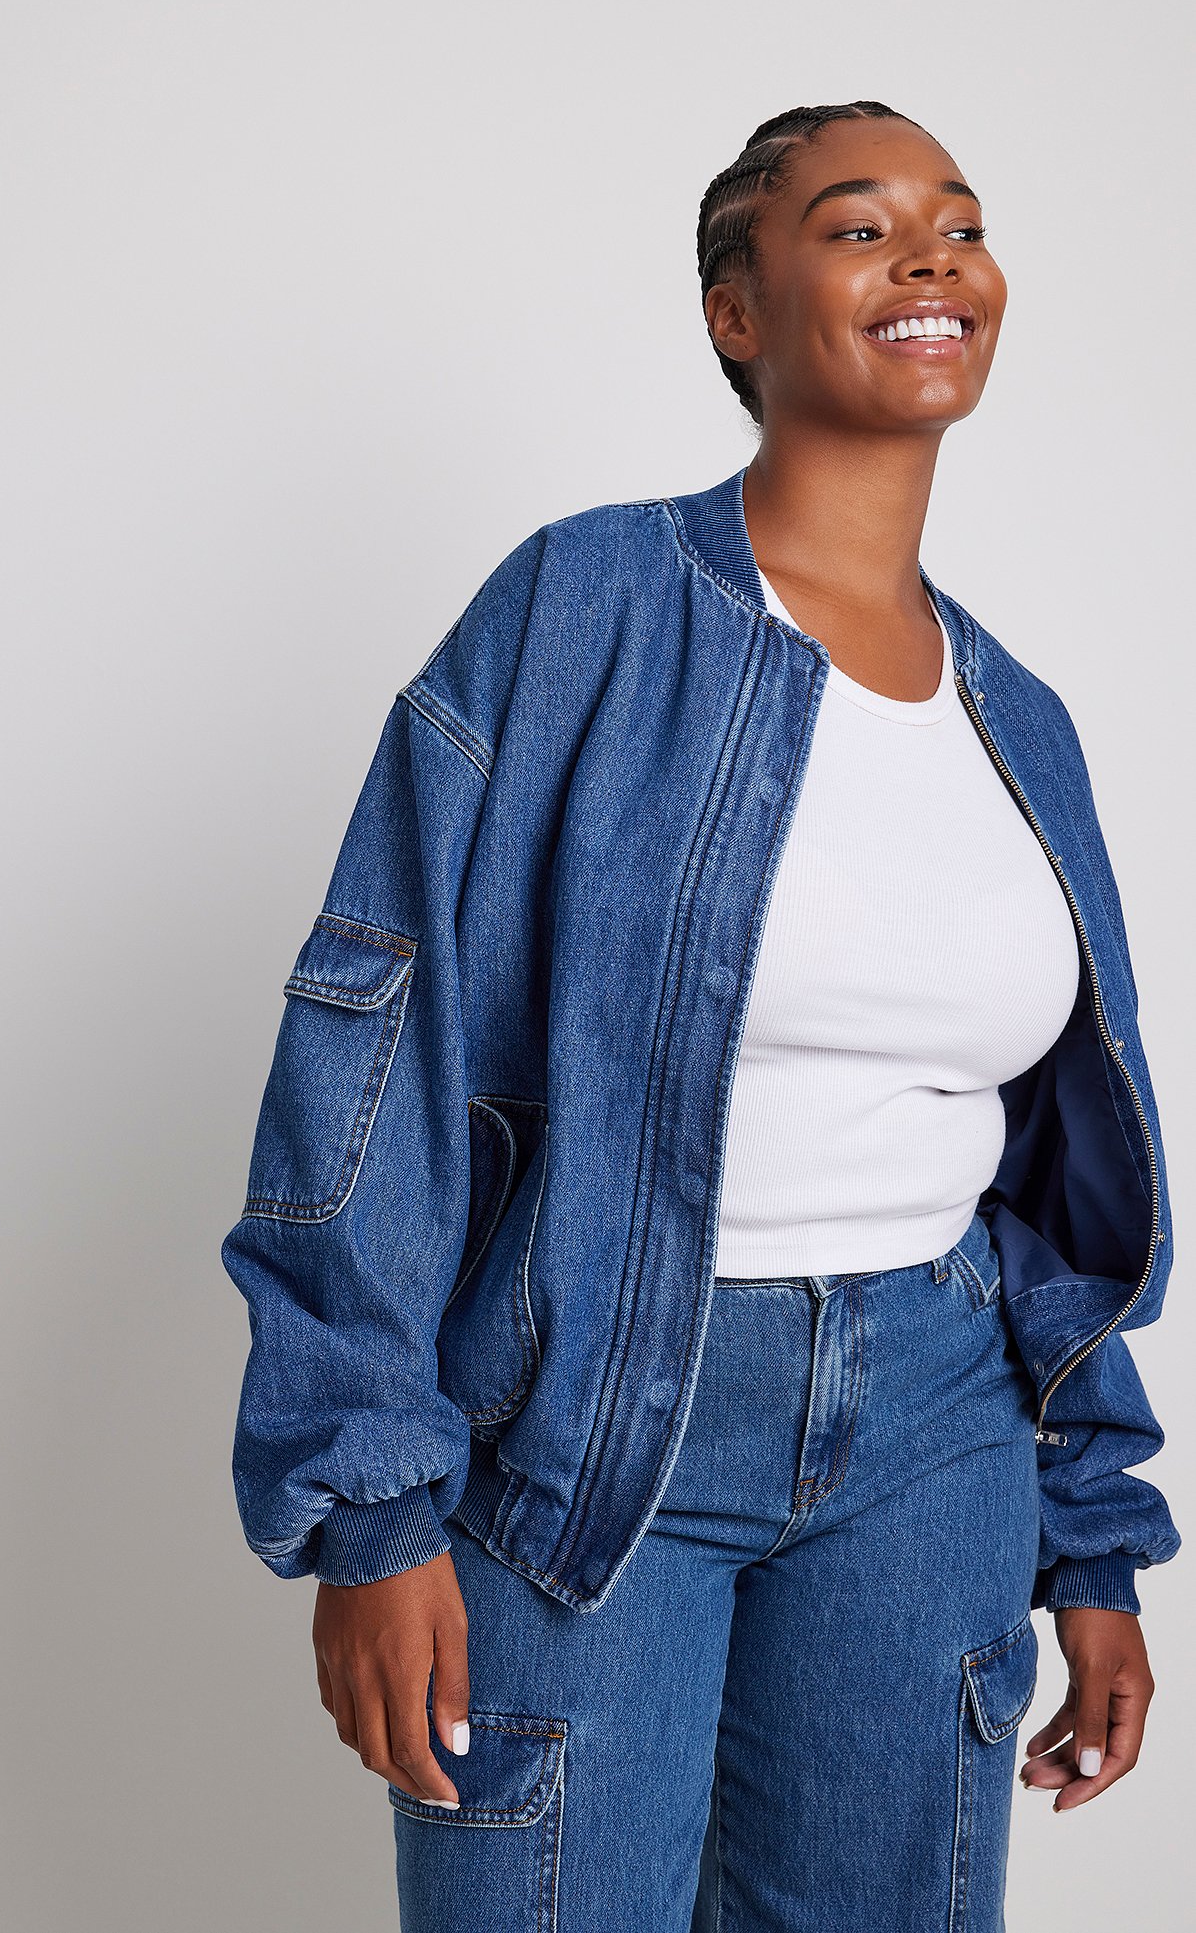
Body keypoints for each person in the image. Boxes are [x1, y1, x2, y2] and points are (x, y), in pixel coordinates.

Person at [221, 102, 1180, 1930]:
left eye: (961, 223)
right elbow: (378, 1032)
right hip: (591, 1419)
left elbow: (1048, 1180)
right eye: (859, 225)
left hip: (942, 1431)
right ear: (738, 311)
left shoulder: (1022, 722)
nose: (932, 255)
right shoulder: (584, 604)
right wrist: (372, 1504)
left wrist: (1095, 1539)